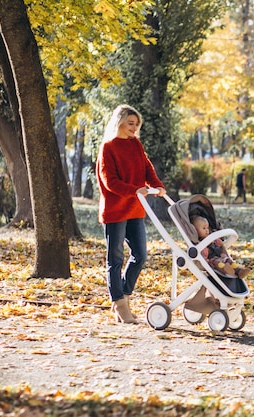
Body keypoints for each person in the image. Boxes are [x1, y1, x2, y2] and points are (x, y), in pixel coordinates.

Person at [96, 104, 166, 324]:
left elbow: (146, 168)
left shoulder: (135, 145)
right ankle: (120, 305)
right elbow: (110, 182)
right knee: (115, 259)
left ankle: (124, 296)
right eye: (130, 124)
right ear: (119, 122)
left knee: (140, 255)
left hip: (135, 209)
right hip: (115, 210)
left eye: (137, 124)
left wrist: (156, 185)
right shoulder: (108, 148)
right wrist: (133, 190)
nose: (134, 128)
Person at [190, 215, 249, 279]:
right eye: (204, 228)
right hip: (211, 261)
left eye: (207, 228)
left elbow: (220, 245)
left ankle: (239, 271)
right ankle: (226, 270)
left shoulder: (212, 238)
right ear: (195, 230)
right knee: (218, 264)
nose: (207, 230)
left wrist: (219, 243)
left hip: (221, 256)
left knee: (229, 261)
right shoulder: (198, 244)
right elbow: (202, 255)